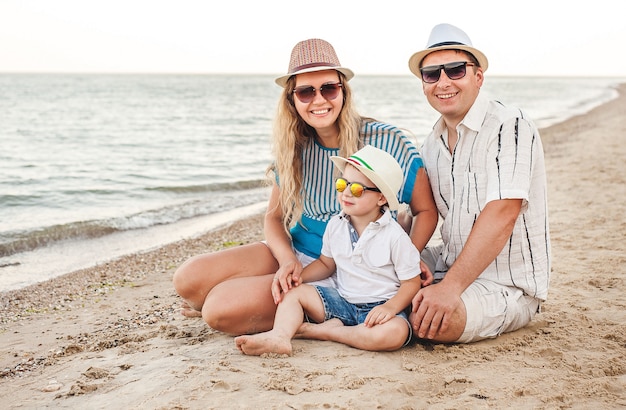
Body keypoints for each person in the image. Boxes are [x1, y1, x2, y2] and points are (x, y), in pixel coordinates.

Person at [172, 38, 438, 336]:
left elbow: (425, 210)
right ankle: (266, 299)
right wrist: (287, 262)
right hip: (300, 251)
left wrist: (408, 258)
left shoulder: (387, 140)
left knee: (218, 311)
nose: (319, 100)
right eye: (305, 92)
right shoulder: (294, 146)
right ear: (292, 99)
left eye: (328, 88)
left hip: (351, 269)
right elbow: (274, 218)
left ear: (343, 91)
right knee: (189, 280)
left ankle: (307, 310)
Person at [406, 23, 551, 343]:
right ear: (424, 84)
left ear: (478, 77)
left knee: (432, 321)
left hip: (508, 285)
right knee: (375, 273)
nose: (443, 82)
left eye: (455, 70)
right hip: (448, 263)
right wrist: (406, 253)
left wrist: (449, 289)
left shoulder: (509, 124)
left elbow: (503, 213)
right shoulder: (431, 145)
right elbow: (417, 211)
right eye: (432, 74)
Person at [235, 145, 422, 355]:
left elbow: (412, 282)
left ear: (381, 198)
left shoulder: (394, 236)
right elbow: (326, 264)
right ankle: (279, 336)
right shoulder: (336, 224)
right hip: (342, 302)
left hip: (380, 308)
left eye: (358, 189)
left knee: (394, 334)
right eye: (343, 184)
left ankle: (327, 332)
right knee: (295, 293)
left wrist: (391, 308)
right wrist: (299, 278)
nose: (346, 193)